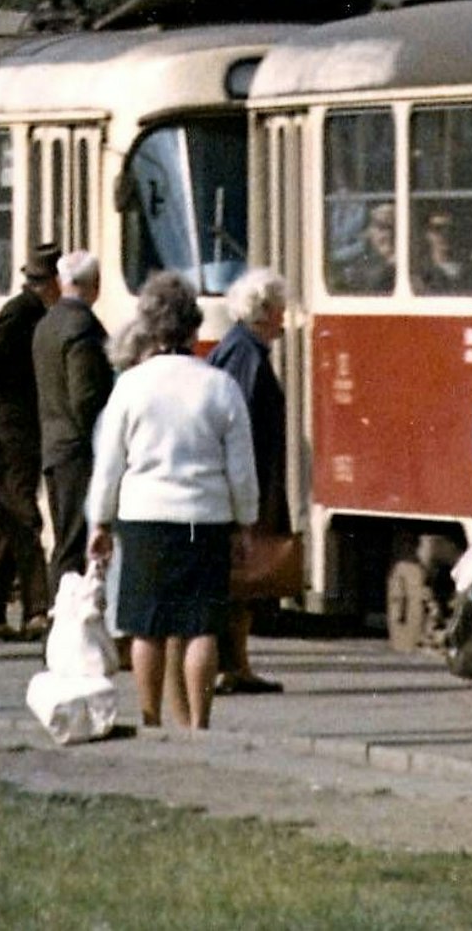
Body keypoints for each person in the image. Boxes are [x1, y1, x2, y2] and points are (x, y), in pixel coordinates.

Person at [86, 272, 258, 730]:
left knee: (148, 626)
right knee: (201, 625)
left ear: (150, 329)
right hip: (205, 515)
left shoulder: (130, 386)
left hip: (144, 515)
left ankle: (150, 717)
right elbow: (241, 467)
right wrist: (245, 521)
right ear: (194, 329)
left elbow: (110, 463)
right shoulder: (220, 385)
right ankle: (198, 724)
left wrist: (99, 522)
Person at [0, 242, 60, 643]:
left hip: (20, 427)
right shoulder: (21, 312)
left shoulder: (34, 311)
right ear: (52, 282)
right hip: (10, 430)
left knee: (10, 519)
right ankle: (38, 608)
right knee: (25, 514)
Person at [207, 268, 290, 697]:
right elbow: (238, 427)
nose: (284, 318)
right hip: (248, 484)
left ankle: (238, 663)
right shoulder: (247, 356)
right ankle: (231, 665)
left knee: (242, 580)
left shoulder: (242, 349)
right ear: (264, 312)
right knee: (240, 578)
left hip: (249, 481)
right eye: (279, 309)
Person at [33, 249, 113, 594]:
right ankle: (62, 621)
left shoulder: (47, 323)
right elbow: (85, 397)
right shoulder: (82, 329)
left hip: (54, 444)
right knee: (74, 541)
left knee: (67, 534)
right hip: (78, 450)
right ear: (94, 285)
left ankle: (59, 617)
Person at [412, 209, 472, 295]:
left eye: (451, 229)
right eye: (438, 229)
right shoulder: (419, 274)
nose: (445, 234)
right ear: (427, 234)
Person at [335, 203, 397, 293]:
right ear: (368, 232)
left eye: (391, 228)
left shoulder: (411, 267)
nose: (387, 234)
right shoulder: (357, 269)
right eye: (380, 227)